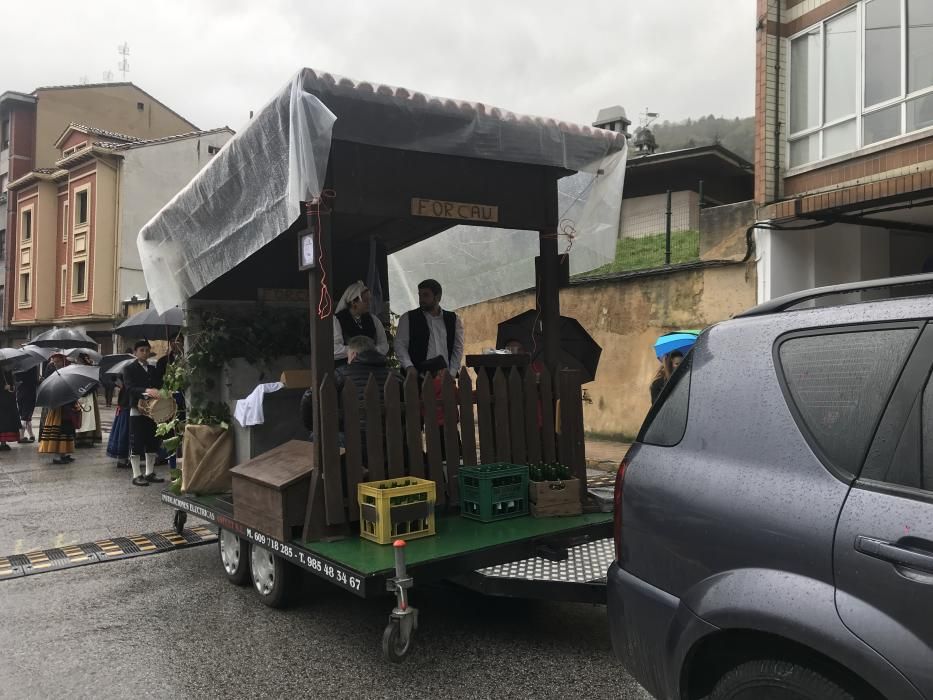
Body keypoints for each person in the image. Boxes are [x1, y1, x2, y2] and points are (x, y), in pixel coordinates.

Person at [334, 335, 401, 461]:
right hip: (390, 439)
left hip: (353, 440)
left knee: (318, 436)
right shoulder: (395, 376)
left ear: (353, 355)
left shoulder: (340, 373)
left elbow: (309, 399)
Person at [394, 279, 464, 377]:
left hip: (445, 377)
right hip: (418, 377)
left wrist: (452, 373)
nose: (421, 299)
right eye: (420, 295)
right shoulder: (408, 318)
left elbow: (458, 348)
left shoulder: (453, 319)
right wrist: (409, 366)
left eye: (426, 295)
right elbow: (400, 345)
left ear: (438, 297)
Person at [123, 340, 165, 486]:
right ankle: (136, 475)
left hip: (152, 410)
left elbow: (159, 385)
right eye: (142, 350)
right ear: (135, 352)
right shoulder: (129, 369)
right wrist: (146, 390)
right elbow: (129, 388)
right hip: (137, 409)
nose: (145, 353)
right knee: (136, 442)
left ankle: (149, 472)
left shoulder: (153, 369)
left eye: (147, 350)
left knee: (152, 441)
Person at [333, 281, 389, 366]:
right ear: (353, 302)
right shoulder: (337, 320)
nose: (369, 303)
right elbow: (335, 349)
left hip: (372, 368)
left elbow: (384, 345)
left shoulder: (373, 319)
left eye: (369, 300)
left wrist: (372, 350)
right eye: (365, 300)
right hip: (347, 371)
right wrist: (358, 350)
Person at [74, 352, 102, 448]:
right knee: (79, 416)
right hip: (78, 394)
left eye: (81, 360)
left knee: (88, 417)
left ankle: (87, 438)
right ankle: (78, 438)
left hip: (88, 395)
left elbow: (96, 382)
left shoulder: (91, 370)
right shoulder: (74, 369)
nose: (79, 362)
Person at [106, 376, 131, 469]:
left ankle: (123, 459)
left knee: (122, 434)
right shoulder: (126, 388)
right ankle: (123, 460)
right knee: (124, 435)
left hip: (123, 412)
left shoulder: (124, 388)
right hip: (125, 413)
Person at [14, 365, 38, 443]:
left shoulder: (18, 366)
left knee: (25, 416)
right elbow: (34, 380)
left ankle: (31, 435)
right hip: (29, 394)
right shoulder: (33, 365)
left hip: (20, 393)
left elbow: (17, 379)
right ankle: (21, 436)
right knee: (25, 417)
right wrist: (40, 380)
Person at [0, 369, 21, 450]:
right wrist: (2, 387)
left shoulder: (8, 371)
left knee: (6, 422)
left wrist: (12, 386)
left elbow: (12, 385)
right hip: (2, 401)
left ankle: (3, 443)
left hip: (8, 401)